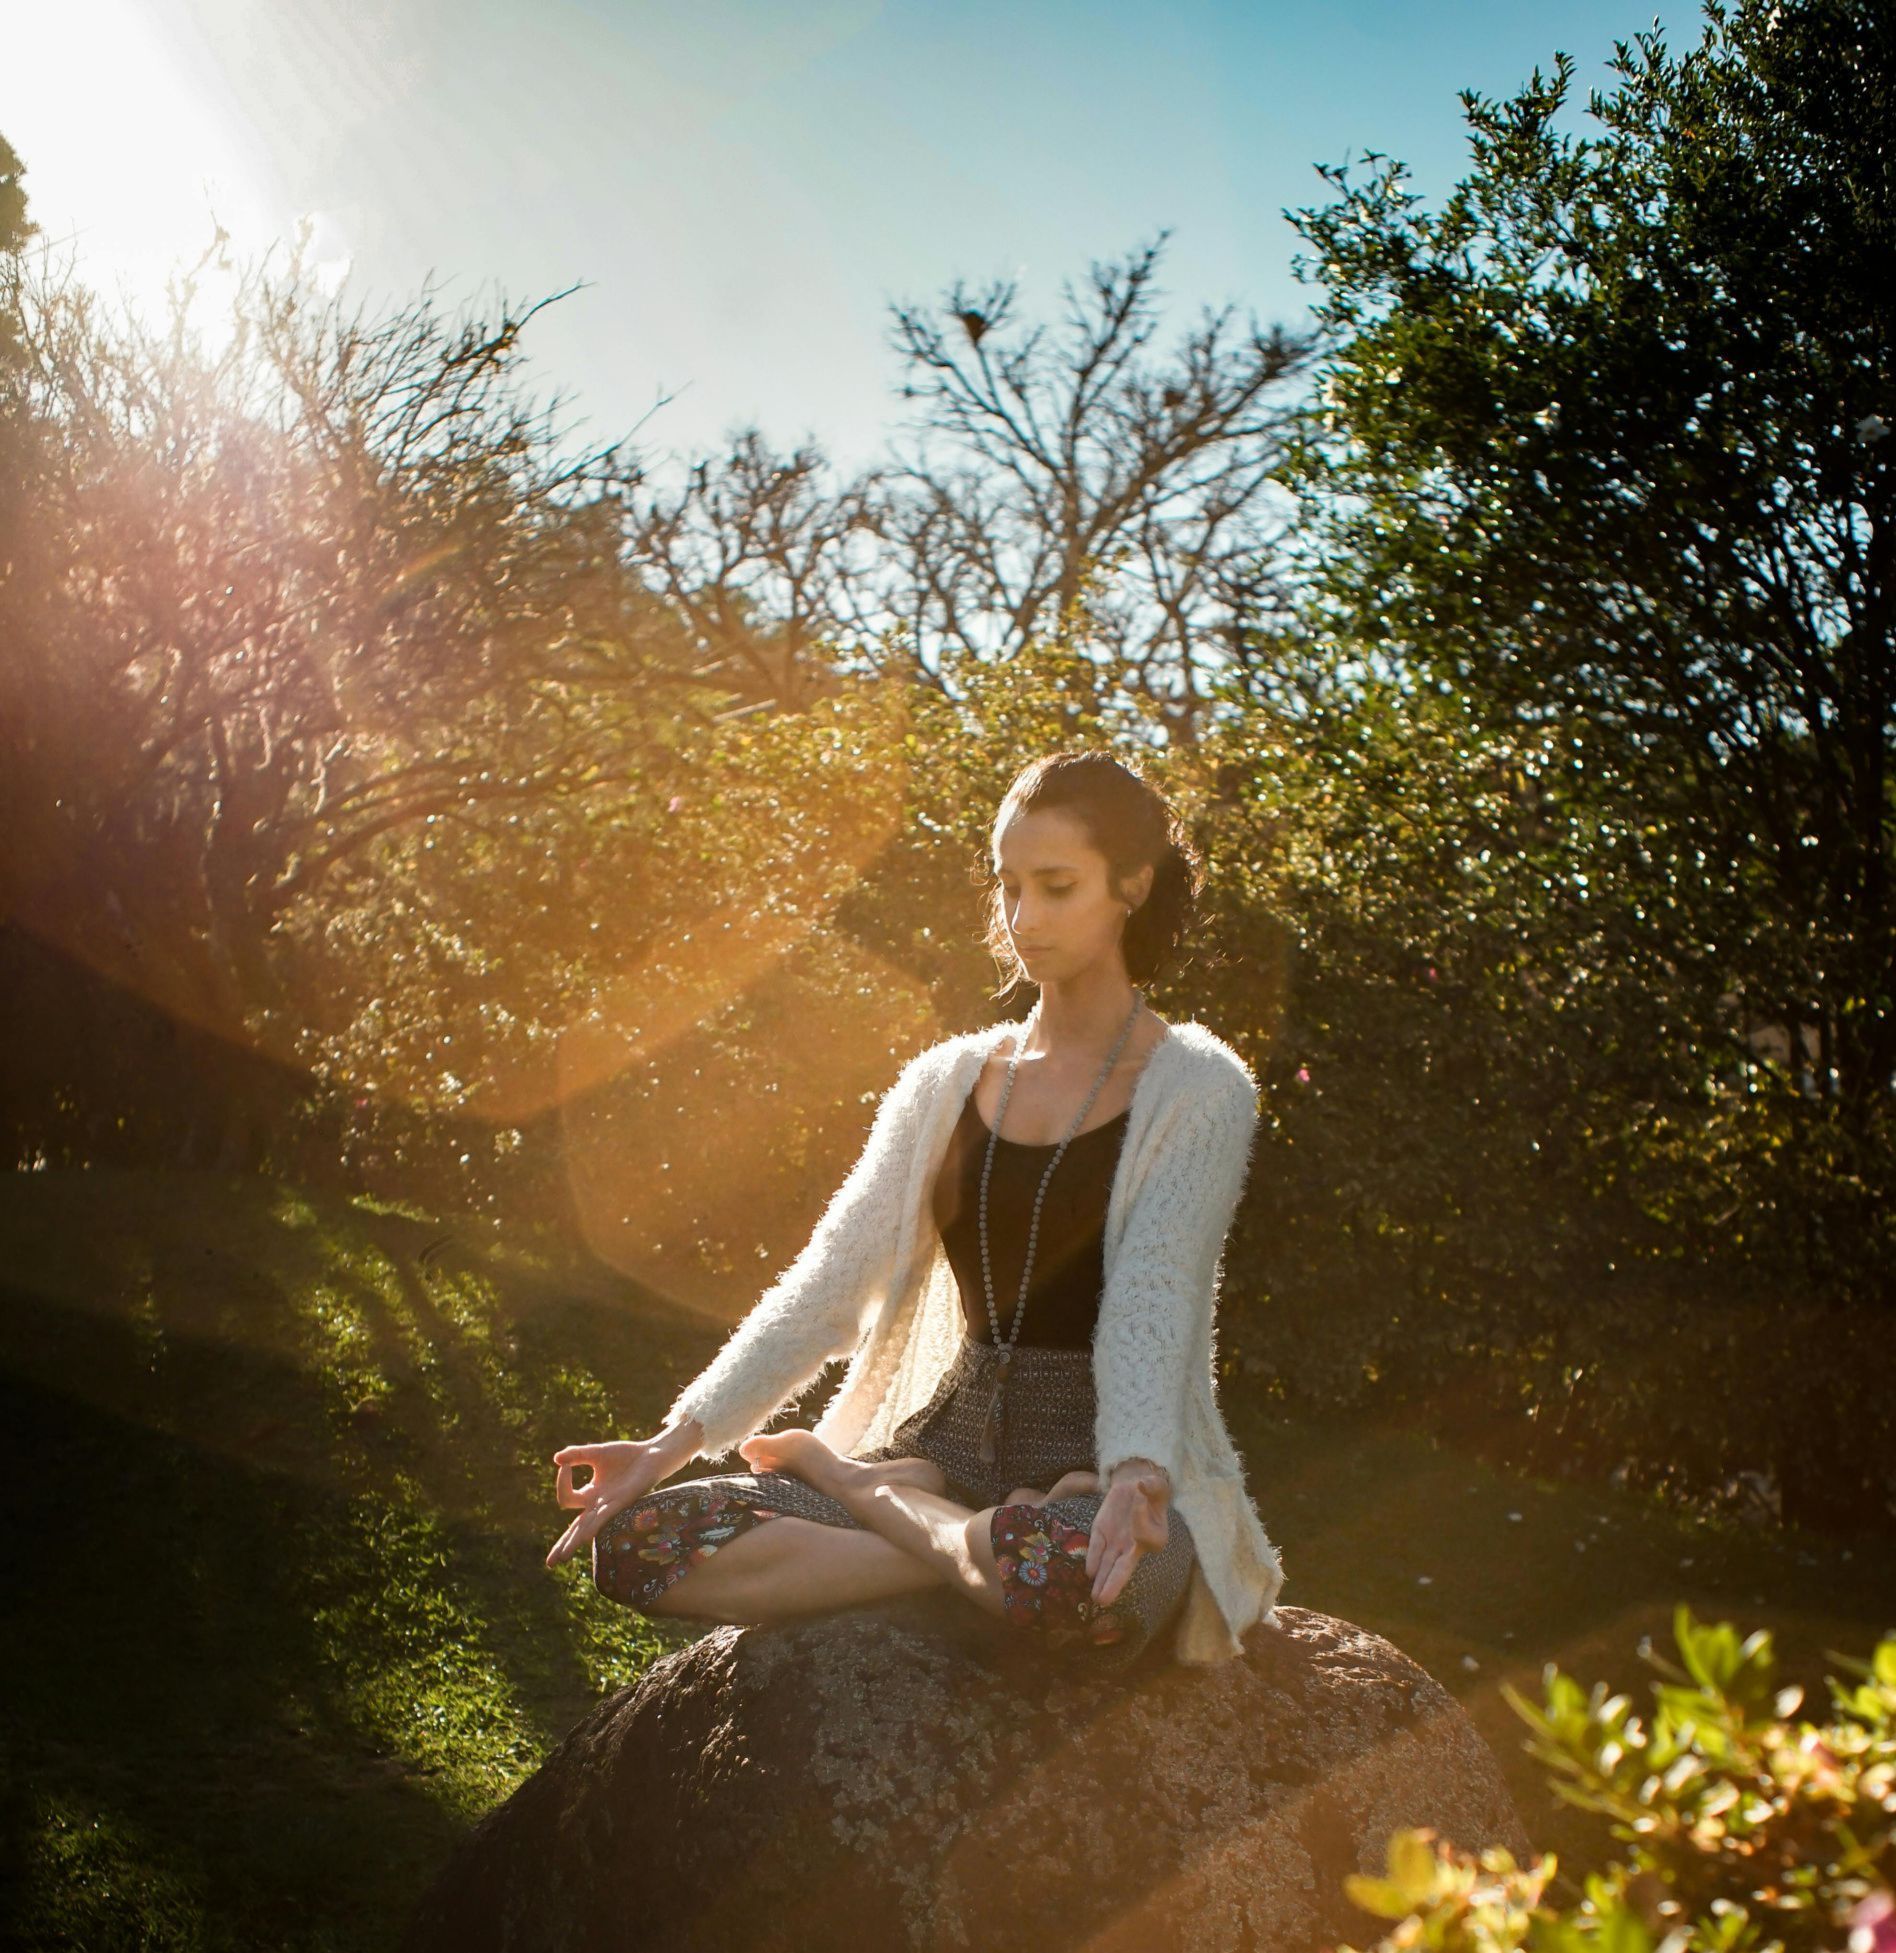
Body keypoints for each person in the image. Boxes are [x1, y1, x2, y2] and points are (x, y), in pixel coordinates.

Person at [545, 751, 1285, 1669]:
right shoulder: (946, 1082)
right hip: (944, 1440)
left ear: (1132, 882)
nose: (1024, 920)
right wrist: (668, 1444)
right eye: (1009, 886)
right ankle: (939, 1532)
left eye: (1057, 887)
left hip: (1099, 1462)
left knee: (1076, 1583)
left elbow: (1154, 1295)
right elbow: (826, 1281)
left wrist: (1137, 1471)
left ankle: (856, 1488)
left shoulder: (1201, 1089)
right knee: (640, 1542)